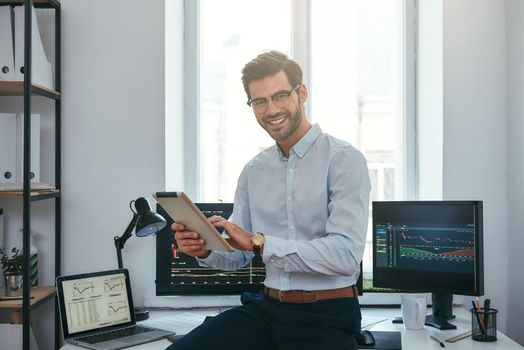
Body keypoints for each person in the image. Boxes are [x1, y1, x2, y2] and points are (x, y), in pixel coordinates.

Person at [168, 50, 370, 350]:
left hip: (327, 316)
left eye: (279, 96)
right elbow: (238, 255)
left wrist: (259, 243)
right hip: (267, 309)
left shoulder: (344, 160)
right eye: (259, 101)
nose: (271, 109)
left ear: (301, 93)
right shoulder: (254, 171)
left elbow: (344, 256)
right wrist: (205, 248)